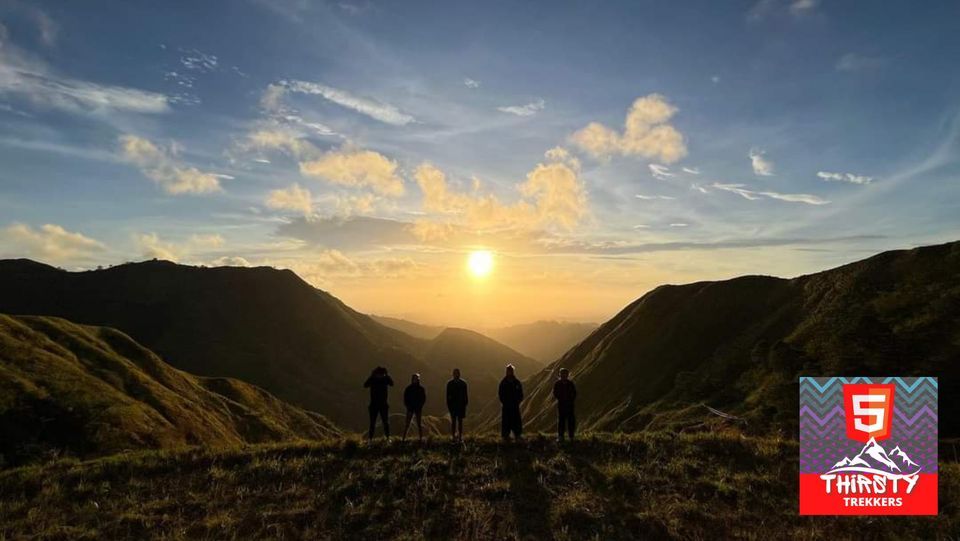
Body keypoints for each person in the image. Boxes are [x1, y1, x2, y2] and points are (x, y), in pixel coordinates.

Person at [363, 366, 394, 440]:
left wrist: (386, 375)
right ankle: (383, 438)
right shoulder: (374, 379)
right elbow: (365, 385)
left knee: (383, 423)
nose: (380, 376)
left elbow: (391, 383)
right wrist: (386, 375)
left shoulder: (384, 379)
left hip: (379, 405)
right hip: (377, 405)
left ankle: (385, 438)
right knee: (376, 423)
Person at [498, 364, 524, 440]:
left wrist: (518, 401)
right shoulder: (503, 383)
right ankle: (506, 435)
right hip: (506, 406)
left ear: (513, 371)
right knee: (506, 421)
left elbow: (520, 393)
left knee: (516, 421)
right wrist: (504, 402)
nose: (509, 372)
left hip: (515, 405)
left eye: (511, 371)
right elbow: (500, 394)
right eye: (508, 371)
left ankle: (517, 434)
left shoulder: (517, 382)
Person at [552, 368, 577, 442]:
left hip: (569, 405)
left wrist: (570, 399)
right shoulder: (557, 384)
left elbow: (574, 393)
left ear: (567, 375)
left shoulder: (570, 384)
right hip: (562, 405)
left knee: (570, 421)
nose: (564, 376)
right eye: (562, 374)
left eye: (565, 374)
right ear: (560, 375)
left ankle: (571, 436)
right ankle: (561, 436)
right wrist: (561, 398)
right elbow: (555, 393)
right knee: (561, 421)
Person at [446, 368, 468, 442]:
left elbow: (465, 396)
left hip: (460, 406)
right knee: (454, 422)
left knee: (459, 422)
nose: (456, 375)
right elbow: (447, 396)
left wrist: (465, 404)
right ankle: (454, 436)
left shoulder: (463, 384)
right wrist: (449, 406)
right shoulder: (450, 384)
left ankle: (460, 436)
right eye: (455, 373)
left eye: (457, 373)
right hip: (453, 406)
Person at [402, 373, 426, 441]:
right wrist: (408, 406)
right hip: (411, 408)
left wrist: (420, 406)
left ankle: (420, 438)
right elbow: (405, 398)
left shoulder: (420, 389)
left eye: (416, 379)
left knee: (418, 424)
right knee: (407, 424)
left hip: (417, 408)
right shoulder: (409, 389)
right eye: (414, 379)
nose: (415, 380)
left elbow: (423, 399)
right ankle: (404, 438)